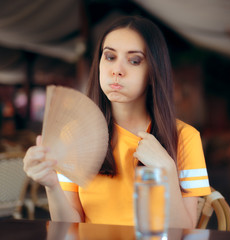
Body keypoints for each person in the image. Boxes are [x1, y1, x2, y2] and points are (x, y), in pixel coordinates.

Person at [23, 15, 210, 229]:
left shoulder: (184, 138)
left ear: (152, 72)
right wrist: (51, 185)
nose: (117, 70)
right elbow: (69, 227)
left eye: (134, 60)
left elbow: (185, 231)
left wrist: (167, 169)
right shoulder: (73, 135)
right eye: (110, 57)